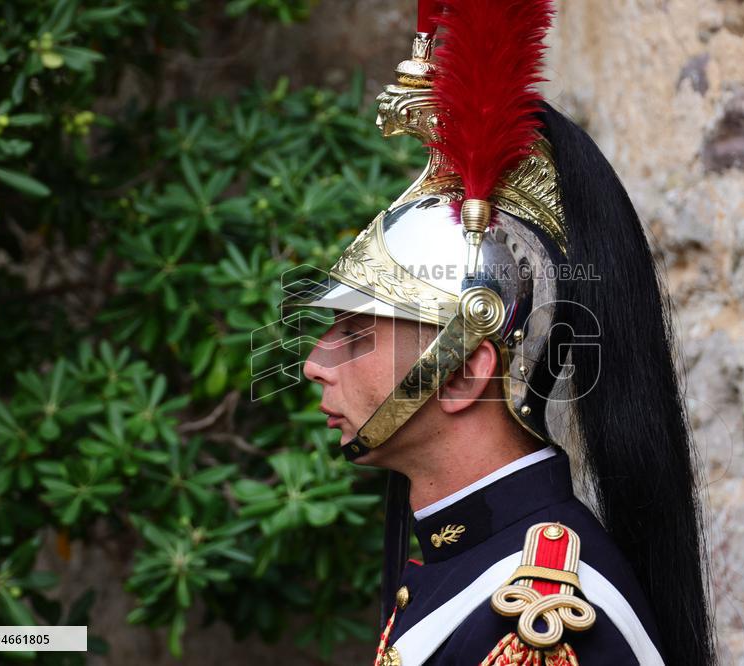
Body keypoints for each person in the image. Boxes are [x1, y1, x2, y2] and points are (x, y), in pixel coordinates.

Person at [286, 1, 716, 664]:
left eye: (355, 332)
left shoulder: (539, 622)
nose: (316, 363)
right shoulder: (463, 556)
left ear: (462, 372)